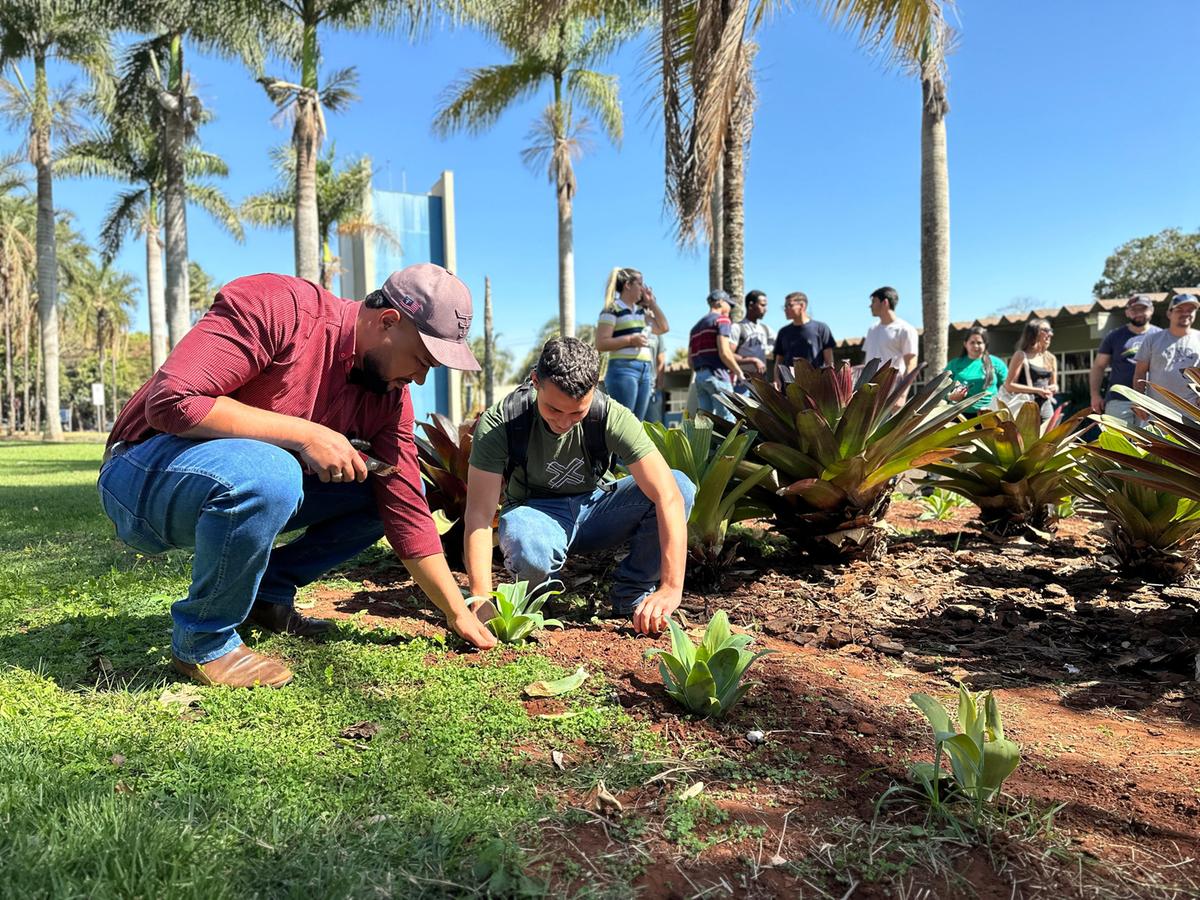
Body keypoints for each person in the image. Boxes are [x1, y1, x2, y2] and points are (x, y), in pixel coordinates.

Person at [97, 265, 498, 689]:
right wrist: (306, 435)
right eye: (422, 359)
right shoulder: (281, 307)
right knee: (274, 471)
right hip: (141, 473)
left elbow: (407, 511)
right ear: (388, 321)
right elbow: (171, 402)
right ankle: (203, 640)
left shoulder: (389, 399)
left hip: (243, 483)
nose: (420, 377)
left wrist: (458, 612)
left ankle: (268, 594)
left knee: (391, 487)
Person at [463, 337, 695, 636]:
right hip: (536, 515)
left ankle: (633, 595)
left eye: (577, 413)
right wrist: (480, 597)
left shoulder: (611, 415)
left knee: (680, 485)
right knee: (529, 545)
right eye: (553, 409)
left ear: (594, 389)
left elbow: (668, 496)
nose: (563, 422)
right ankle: (538, 603)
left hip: (597, 508)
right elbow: (480, 516)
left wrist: (671, 587)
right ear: (536, 381)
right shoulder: (502, 421)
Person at [595, 267, 670, 421]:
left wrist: (652, 304)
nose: (643, 288)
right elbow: (601, 343)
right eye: (640, 284)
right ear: (628, 285)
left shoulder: (641, 312)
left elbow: (663, 328)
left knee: (637, 424)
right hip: (623, 370)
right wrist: (631, 340)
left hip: (645, 370)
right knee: (624, 422)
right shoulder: (612, 309)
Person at [1088, 294, 1160, 427]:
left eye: (1143, 309)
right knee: (1117, 444)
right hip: (1118, 400)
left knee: (1150, 446)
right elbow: (1098, 366)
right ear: (1127, 312)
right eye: (1134, 310)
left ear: (1151, 310)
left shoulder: (1161, 336)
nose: (1139, 313)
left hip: (1151, 402)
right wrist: (1095, 395)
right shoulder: (1114, 336)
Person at [1133, 292, 1200, 416]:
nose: (1186, 313)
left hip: (1193, 414)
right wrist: (1139, 402)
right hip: (1159, 413)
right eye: (1179, 309)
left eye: (1190, 310)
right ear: (1169, 313)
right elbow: (1139, 373)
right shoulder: (1152, 340)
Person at [687, 289, 743, 421]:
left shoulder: (695, 328)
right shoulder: (722, 320)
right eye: (729, 304)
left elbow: (690, 361)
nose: (730, 307)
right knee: (727, 422)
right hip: (717, 376)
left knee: (705, 424)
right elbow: (724, 352)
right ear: (720, 302)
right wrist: (739, 373)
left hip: (700, 377)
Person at [864, 286, 919, 410]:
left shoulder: (905, 329)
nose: (870, 306)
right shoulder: (872, 330)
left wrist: (901, 395)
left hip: (892, 391)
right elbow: (867, 361)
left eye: (873, 301)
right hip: (870, 392)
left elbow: (911, 364)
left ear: (885, 302)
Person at [1002, 317, 1058, 422]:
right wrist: (1037, 390)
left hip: (1046, 407)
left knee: (1049, 437)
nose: (1050, 334)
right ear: (1033, 333)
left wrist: (1053, 388)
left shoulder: (1051, 358)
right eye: (1045, 330)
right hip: (1026, 408)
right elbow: (1009, 385)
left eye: (1051, 331)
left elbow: (1054, 385)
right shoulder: (1020, 356)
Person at [771, 291, 835, 382]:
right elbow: (778, 361)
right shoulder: (783, 332)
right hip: (789, 387)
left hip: (816, 385)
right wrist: (776, 379)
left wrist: (830, 381)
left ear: (802, 306)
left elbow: (829, 361)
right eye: (784, 307)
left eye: (789, 305)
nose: (785, 309)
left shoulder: (821, 328)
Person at [945, 327, 1008, 413]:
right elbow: (941, 390)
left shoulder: (997, 363)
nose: (976, 346)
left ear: (985, 344)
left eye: (979, 342)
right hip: (959, 415)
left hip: (990, 414)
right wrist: (951, 397)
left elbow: (1007, 387)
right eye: (972, 342)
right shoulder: (954, 364)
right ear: (965, 344)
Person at [731, 289, 774, 393]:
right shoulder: (737, 328)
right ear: (751, 305)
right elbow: (728, 355)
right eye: (762, 305)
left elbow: (778, 349)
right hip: (743, 382)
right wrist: (753, 360)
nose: (765, 309)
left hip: (761, 383)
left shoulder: (766, 329)